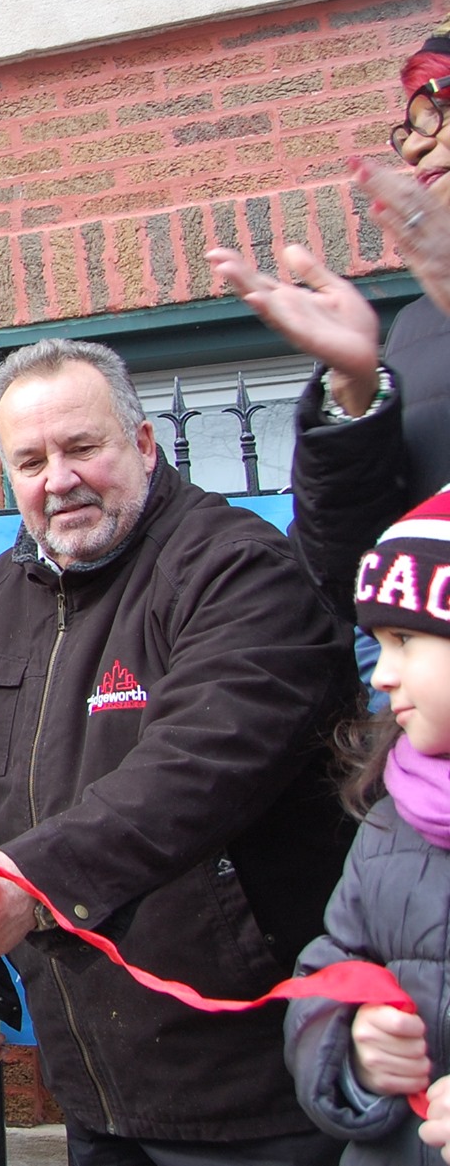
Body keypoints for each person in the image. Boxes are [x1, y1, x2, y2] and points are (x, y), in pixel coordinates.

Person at [0, 338, 358, 1165]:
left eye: (84, 447)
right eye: (32, 459)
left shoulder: (238, 569)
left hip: (258, 1091)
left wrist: (29, 885)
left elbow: (195, 769)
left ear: (144, 444)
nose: (60, 478)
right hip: (91, 1091)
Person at [214, 18, 450, 618]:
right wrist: (354, 390)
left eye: (439, 109)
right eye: (409, 127)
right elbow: (348, 579)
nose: (417, 145)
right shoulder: (415, 329)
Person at [287, 489, 450, 1161]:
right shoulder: (389, 821)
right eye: (378, 641)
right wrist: (349, 1044)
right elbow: (329, 969)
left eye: (406, 638)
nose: (380, 673)